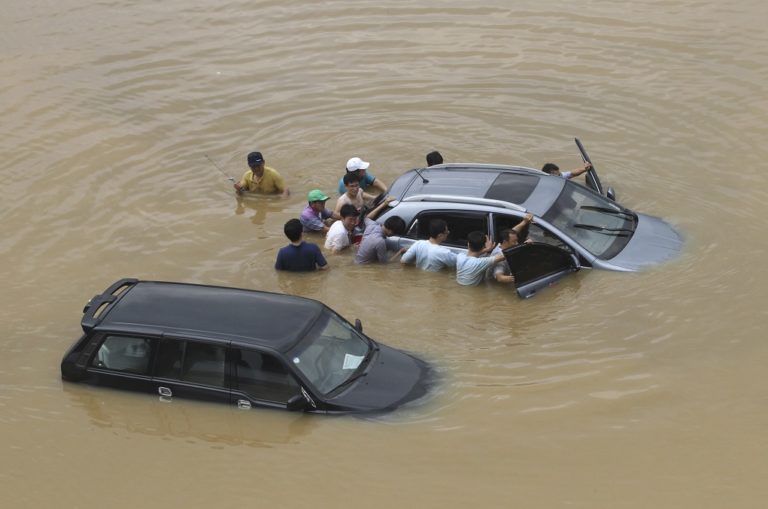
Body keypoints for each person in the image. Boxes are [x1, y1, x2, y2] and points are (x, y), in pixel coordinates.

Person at [489, 213, 534, 284]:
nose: (517, 243)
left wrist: (524, 222)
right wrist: (519, 277)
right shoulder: (499, 257)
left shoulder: (504, 243)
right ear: (505, 241)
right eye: (514, 241)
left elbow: (513, 232)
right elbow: (499, 278)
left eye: (517, 240)